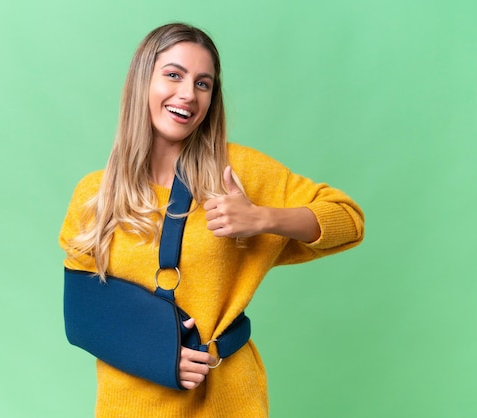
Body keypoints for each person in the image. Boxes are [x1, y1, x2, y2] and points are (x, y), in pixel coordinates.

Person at [59, 22, 364, 417]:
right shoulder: (94, 194)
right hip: (130, 403)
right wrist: (157, 353)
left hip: (228, 398)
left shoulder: (236, 173)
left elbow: (348, 220)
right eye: (173, 75)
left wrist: (261, 218)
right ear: (141, 82)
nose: (187, 94)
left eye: (203, 84)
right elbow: (85, 314)